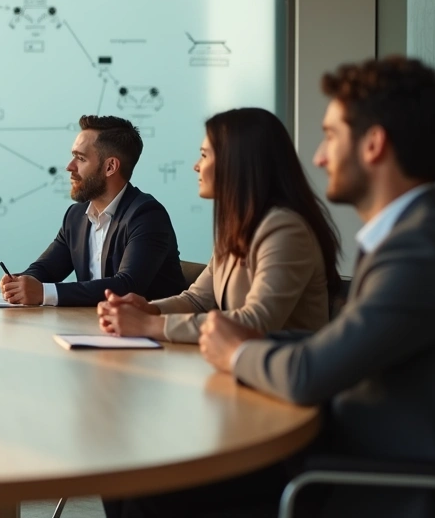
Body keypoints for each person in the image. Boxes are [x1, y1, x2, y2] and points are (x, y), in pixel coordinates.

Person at [112, 56, 435, 518]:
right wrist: (205, 329)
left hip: (350, 473)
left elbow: (307, 374)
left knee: (142, 487)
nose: (319, 157)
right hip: (328, 445)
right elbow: (328, 346)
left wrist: (236, 349)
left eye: (331, 136)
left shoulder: (418, 251)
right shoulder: (410, 238)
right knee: (134, 471)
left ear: (374, 145)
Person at [98, 108, 339, 343]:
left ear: (236, 162)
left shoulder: (286, 229)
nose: (196, 166)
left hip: (284, 367)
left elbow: (256, 322)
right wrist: (149, 310)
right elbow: (197, 300)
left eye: (204, 155)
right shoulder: (237, 227)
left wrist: (149, 325)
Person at [1, 115, 185, 307]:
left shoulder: (147, 215)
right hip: (93, 323)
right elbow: (46, 270)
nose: (69, 167)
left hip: (150, 325)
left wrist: (44, 293)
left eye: (81, 158)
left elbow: (128, 286)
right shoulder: (75, 216)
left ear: (110, 167)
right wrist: (20, 283)